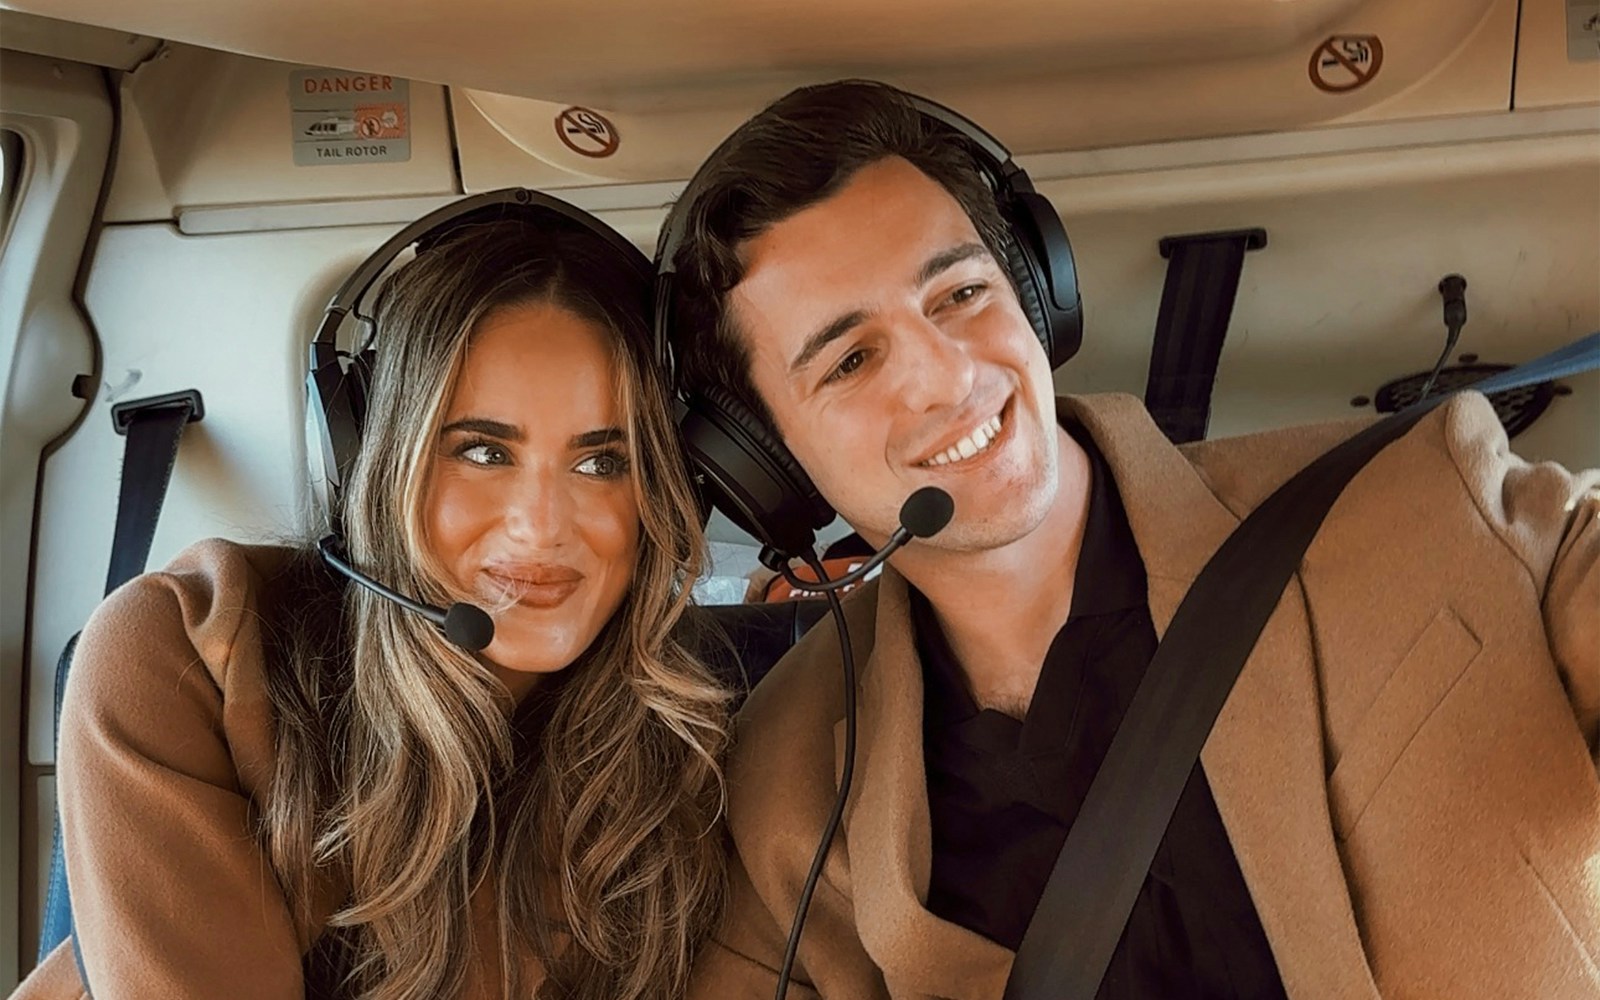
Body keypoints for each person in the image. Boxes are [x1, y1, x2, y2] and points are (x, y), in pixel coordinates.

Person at [662, 80, 1600, 998]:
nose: (946, 377)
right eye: (851, 360)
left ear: (1035, 293)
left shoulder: (1425, 498)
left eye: (959, 294)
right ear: (767, 466)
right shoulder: (781, 786)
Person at [16, 204, 730, 999]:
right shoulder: (188, 655)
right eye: (484, 452)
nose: (541, 526)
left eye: (601, 463)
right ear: (374, 457)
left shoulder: (682, 749)